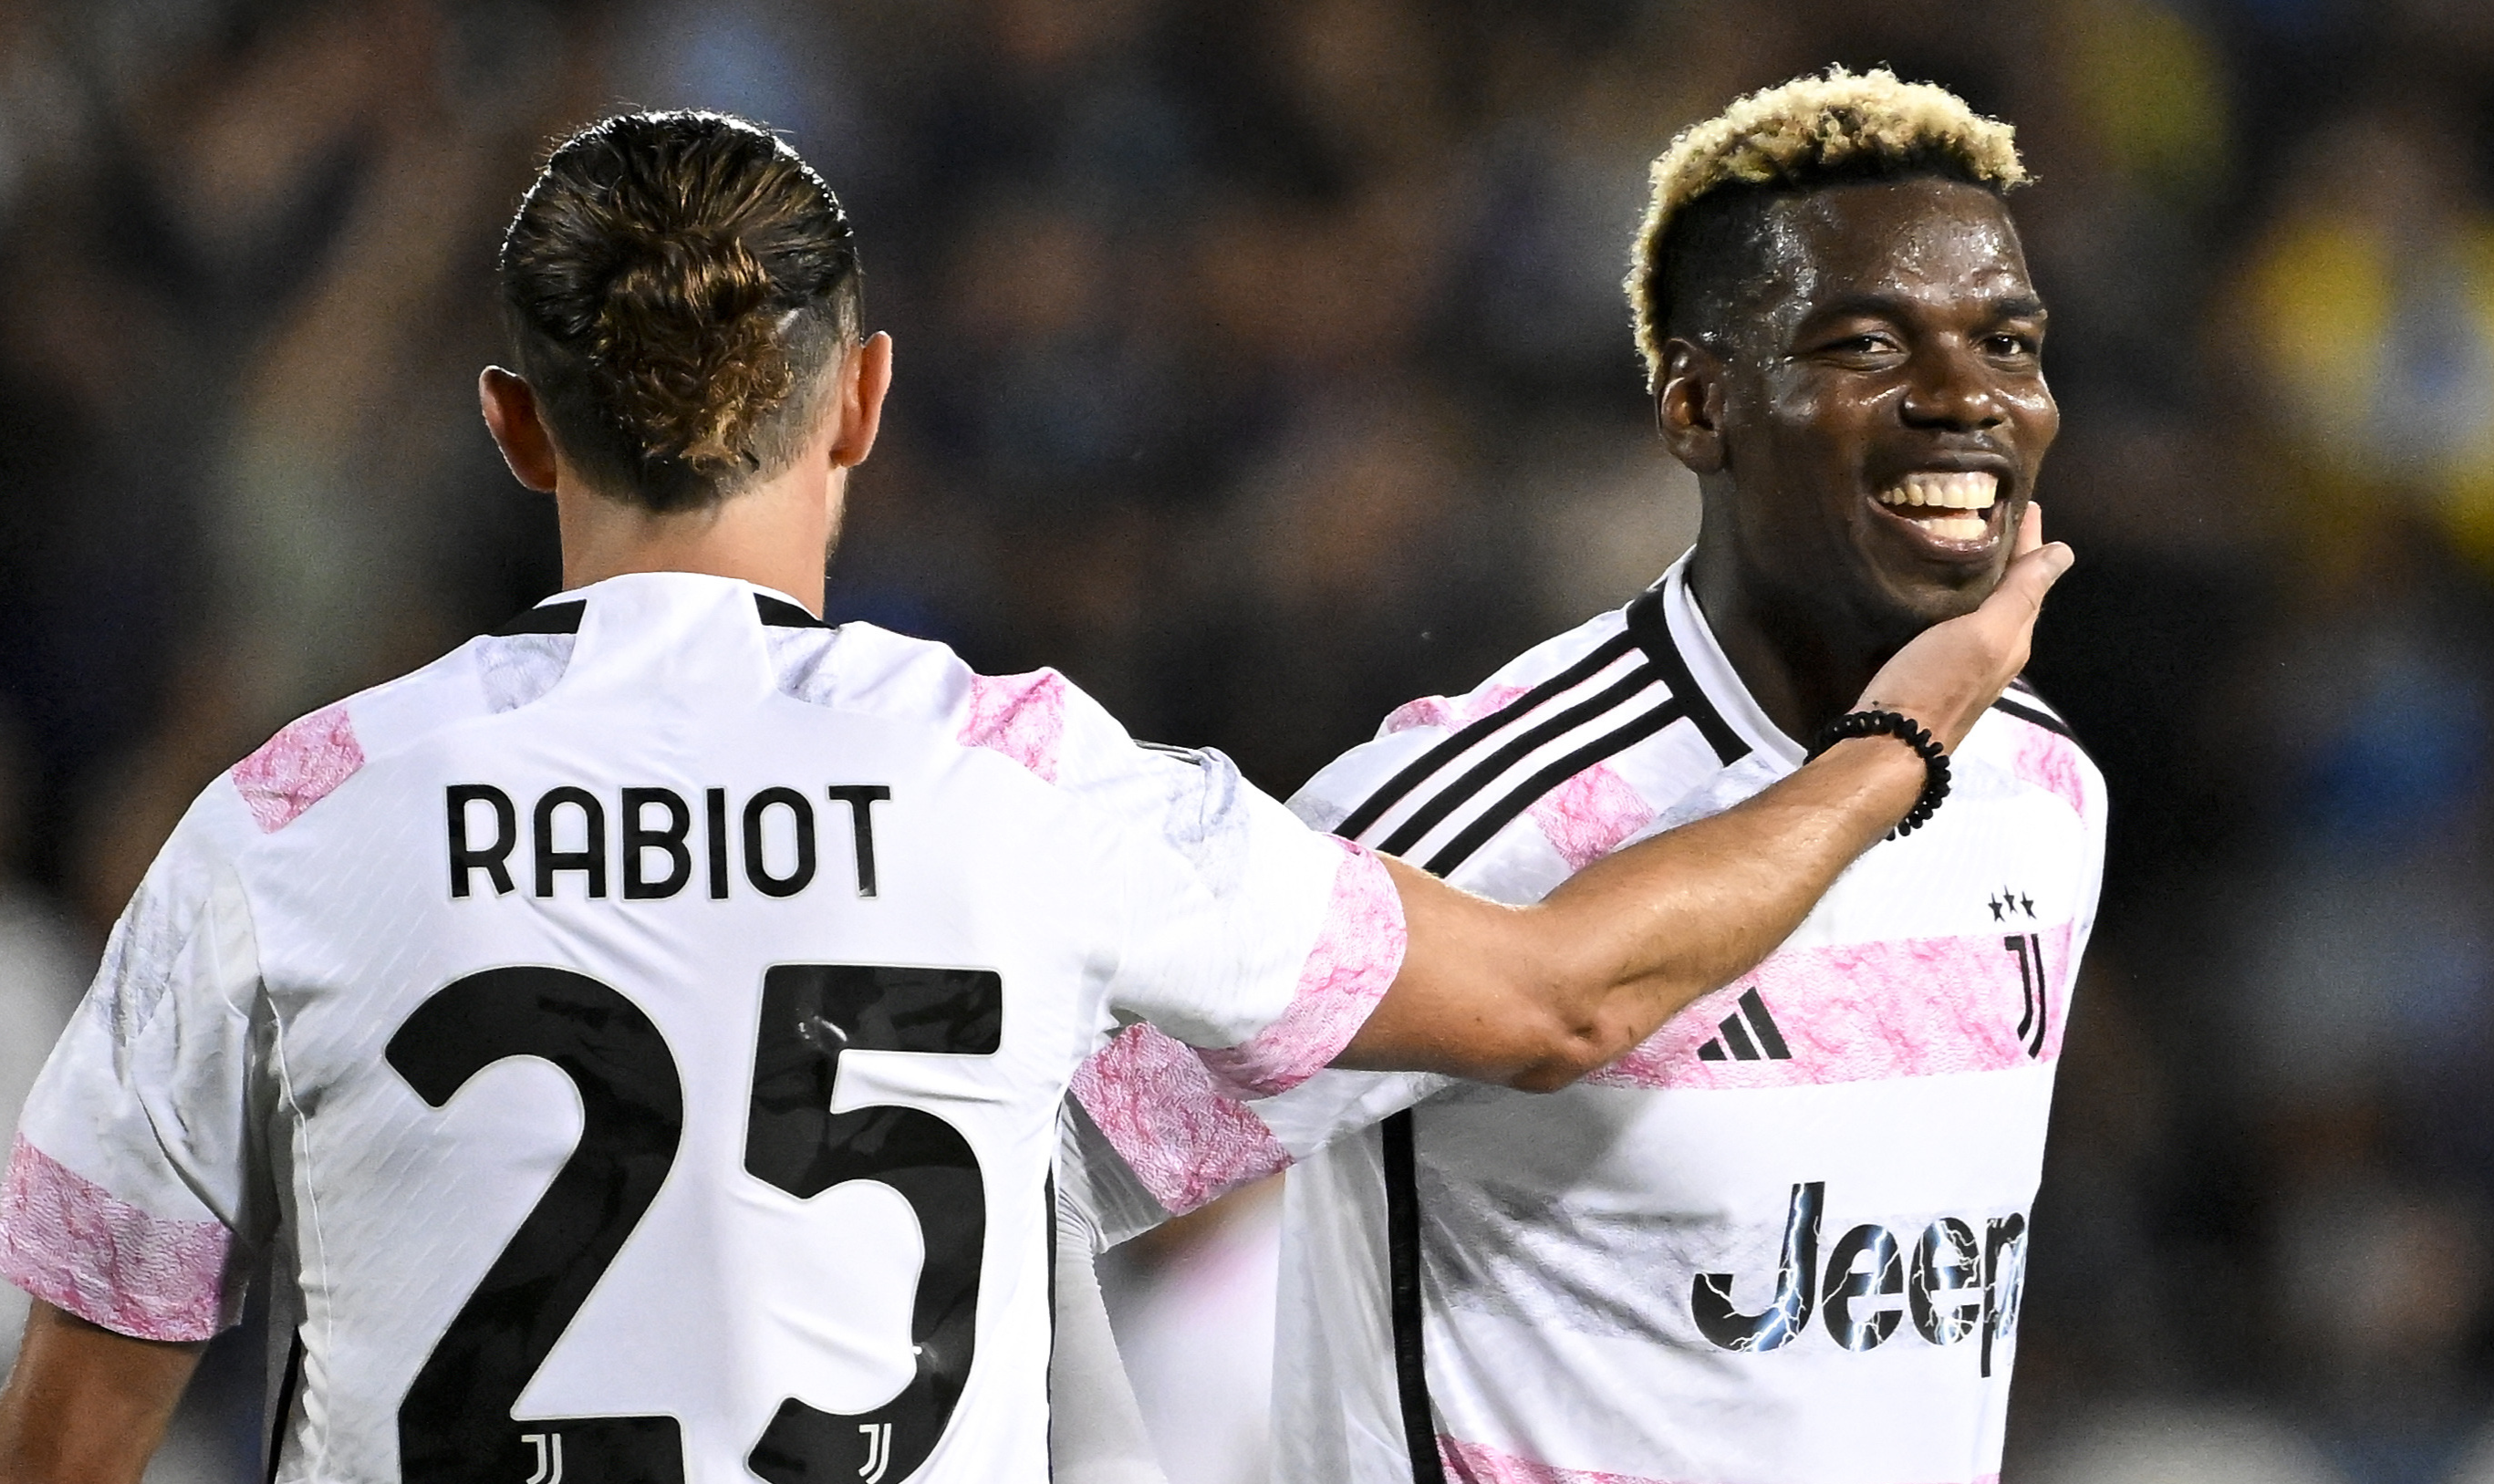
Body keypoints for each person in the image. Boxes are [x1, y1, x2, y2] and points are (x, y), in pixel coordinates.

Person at [0, 110, 2063, 1484]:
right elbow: (1560, 1000)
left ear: (514, 427)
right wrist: (1890, 752)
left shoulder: (286, 823)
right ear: (867, 399)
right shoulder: (1023, 784)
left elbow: (85, 1410)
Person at [1054, 67, 2104, 1484]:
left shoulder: (2041, 790)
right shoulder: (1481, 811)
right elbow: (1034, 1175)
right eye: (1867, 343)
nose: (1962, 397)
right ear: (1696, 405)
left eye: (2007, 341)